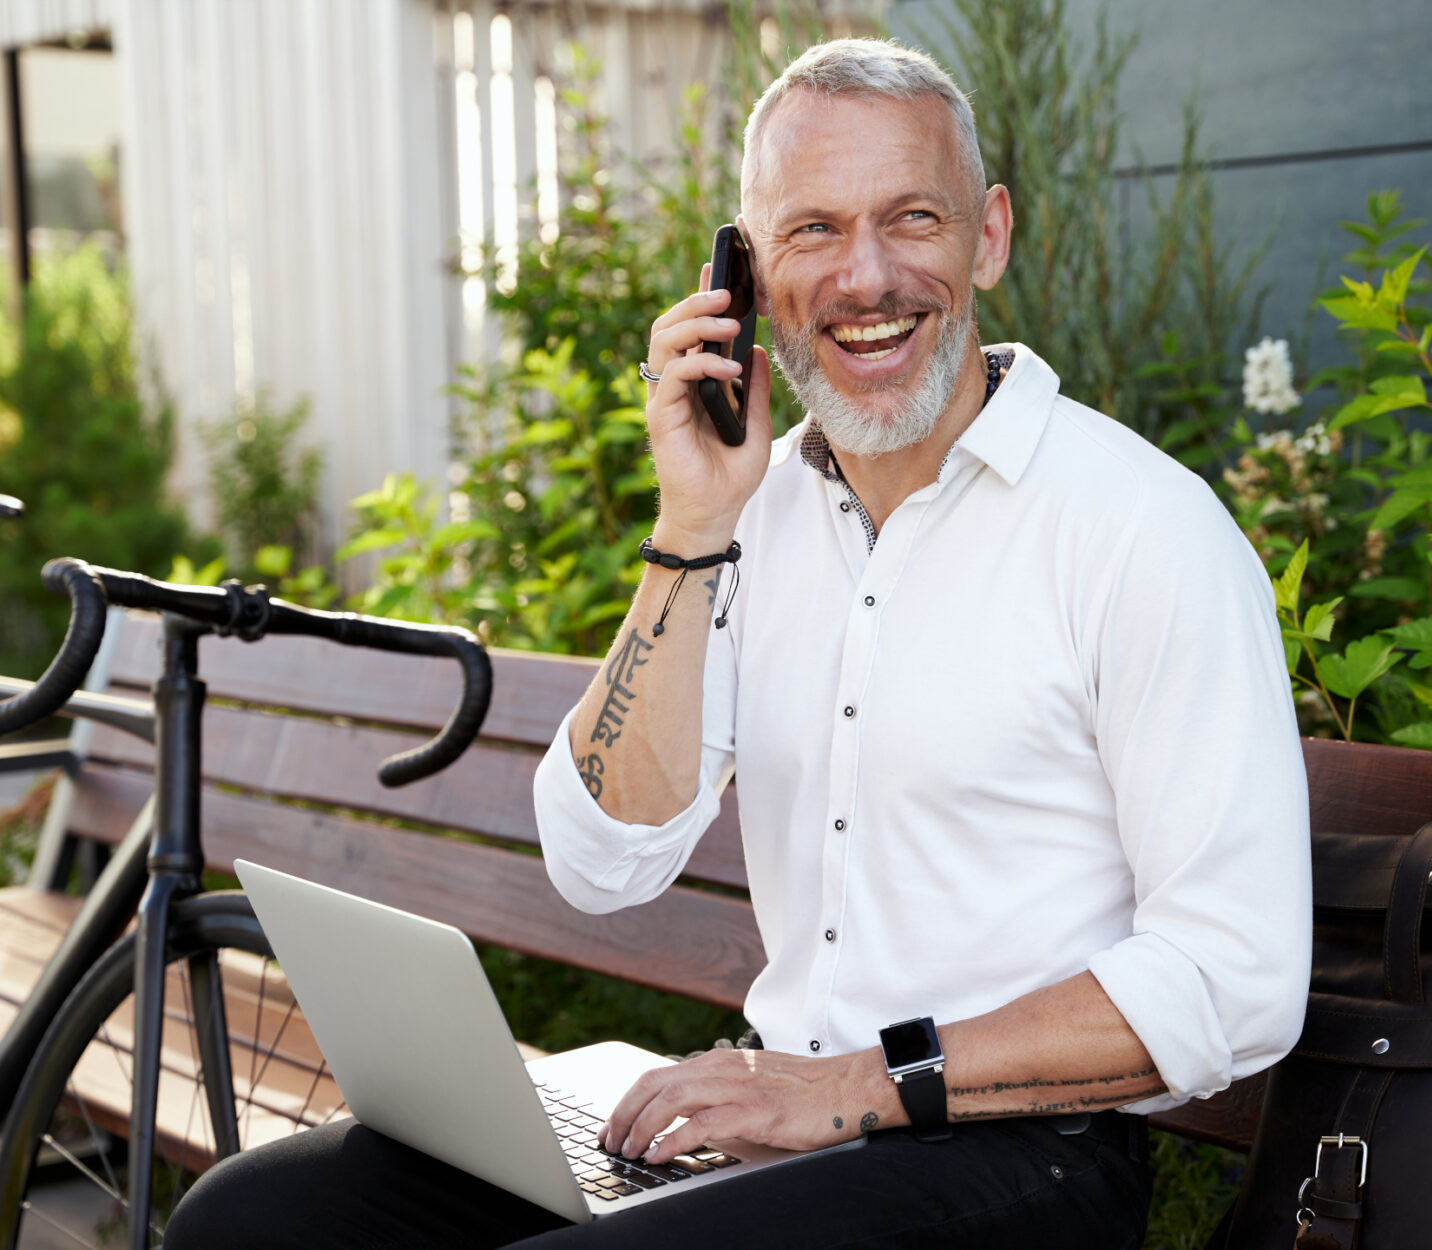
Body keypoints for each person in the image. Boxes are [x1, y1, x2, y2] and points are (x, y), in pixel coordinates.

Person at [165, 37, 1310, 1250]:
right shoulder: (748, 518)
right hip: (783, 1127)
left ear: (989, 235)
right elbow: (602, 859)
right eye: (813, 231)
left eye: (911, 218)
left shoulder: (1144, 529)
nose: (865, 277)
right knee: (256, 1219)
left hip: (1020, 1157)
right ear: (749, 272)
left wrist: (853, 1086)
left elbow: (1234, 974)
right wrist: (694, 522)